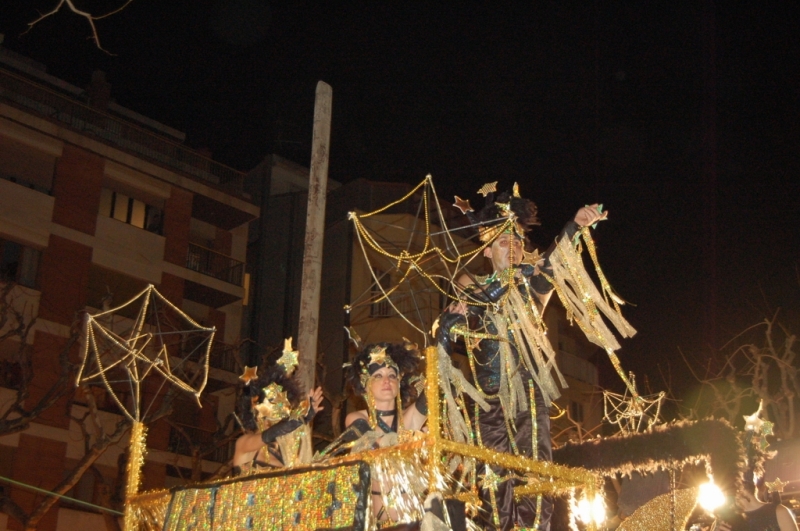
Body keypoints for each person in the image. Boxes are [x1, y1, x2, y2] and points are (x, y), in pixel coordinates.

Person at [435, 185, 609, 531]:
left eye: (518, 242)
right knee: (494, 481)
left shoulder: (534, 287)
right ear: (487, 249)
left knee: (536, 475)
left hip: (530, 395)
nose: (513, 248)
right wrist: (518, 275)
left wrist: (574, 225)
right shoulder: (470, 280)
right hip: (490, 399)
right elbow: (481, 299)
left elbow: (556, 261)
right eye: (504, 242)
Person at [342, 341, 428, 524]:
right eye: (378, 376)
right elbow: (371, 440)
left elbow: (435, 390)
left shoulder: (408, 418)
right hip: (379, 524)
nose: (387, 381)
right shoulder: (356, 418)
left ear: (399, 383)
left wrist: (444, 334)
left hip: (416, 521)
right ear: (365, 385)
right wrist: (413, 438)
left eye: (392, 375)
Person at [232, 362, 323, 475]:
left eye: (282, 406)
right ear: (256, 410)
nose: (278, 412)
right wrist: (303, 418)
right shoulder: (243, 444)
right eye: (272, 403)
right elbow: (272, 433)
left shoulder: (288, 457)